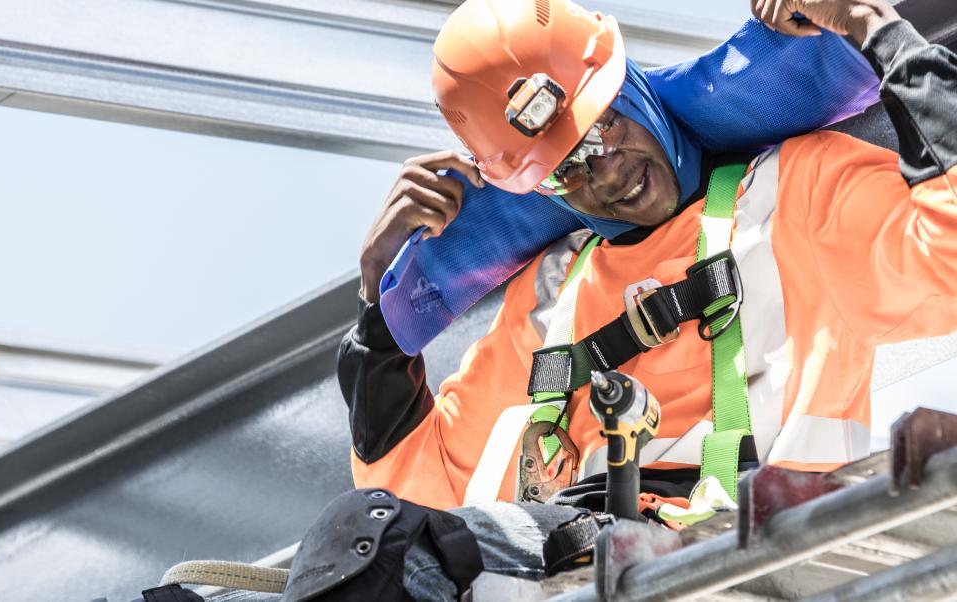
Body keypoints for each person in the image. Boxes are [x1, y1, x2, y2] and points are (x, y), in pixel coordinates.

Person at [336, 0, 956, 588]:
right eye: (564, 168)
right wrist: (380, 313)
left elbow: (948, 258)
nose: (605, 173)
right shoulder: (554, 296)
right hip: (585, 568)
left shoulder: (795, 194)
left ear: (627, 81)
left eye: (603, 126)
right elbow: (414, 493)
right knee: (365, 551)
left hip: (758, 561)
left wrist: (872, 25)